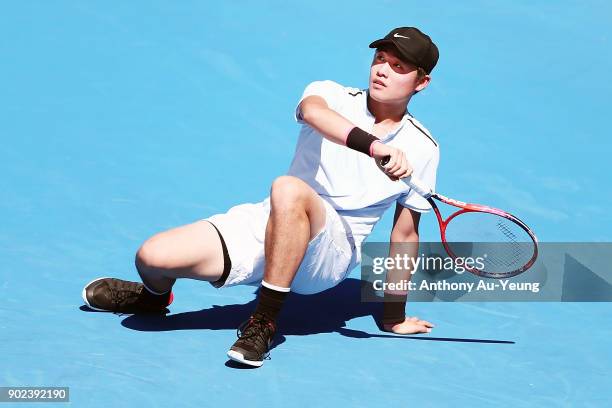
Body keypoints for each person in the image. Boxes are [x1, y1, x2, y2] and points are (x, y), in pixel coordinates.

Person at [82, 27, 440, 367]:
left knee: (289, 188)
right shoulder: (330, 94)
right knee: (152, 257)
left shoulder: (422, 148)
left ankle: (263, 322)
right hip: (275, 220)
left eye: (398, 67)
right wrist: (374, 147)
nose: (382, 71)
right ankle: (153, 299)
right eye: (380, 58)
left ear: (421, 82)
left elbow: (405, 235)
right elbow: (315, 113)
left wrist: (394, 316)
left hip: (331, 252)